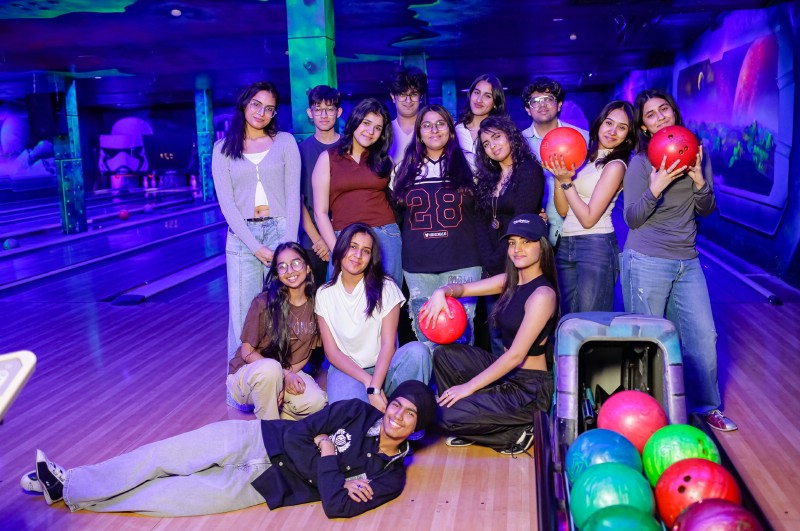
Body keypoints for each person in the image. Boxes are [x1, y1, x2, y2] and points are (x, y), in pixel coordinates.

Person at [25, 381, 436, 519]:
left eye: (410, 415)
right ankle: (71, 480)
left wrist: (327, 452)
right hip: (256, 438)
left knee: (165, 498)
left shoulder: (390, 478)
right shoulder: (356, 411)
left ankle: (70, 491)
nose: (397, 415)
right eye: (397, 404)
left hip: (265, 485)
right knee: (161, 456)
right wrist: (331, 475)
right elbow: (298, 434)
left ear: (416, 429)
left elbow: (335, 507)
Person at [621, 88, 736, 432]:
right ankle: (648, 412)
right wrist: (655, 187)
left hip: (688, 260)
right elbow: (632, 218)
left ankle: (707, 407)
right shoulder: (641, 162)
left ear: (674, 112)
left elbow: (707, 208)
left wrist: (699, 181)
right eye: (651, 115)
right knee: (646, 340)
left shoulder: (697, 152)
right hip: (646, 259)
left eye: (664, 109)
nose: (660, 117)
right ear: (644, 127)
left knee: (703, 337)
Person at [422, 214, 557, 454]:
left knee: (442, 415)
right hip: (505, 374)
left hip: (529, 389)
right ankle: (478, 421)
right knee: (444, 355)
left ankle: (516, 433)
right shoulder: (509, 281)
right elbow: (463, 289)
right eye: (512, 243)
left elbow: (515, 356)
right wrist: (441, 292)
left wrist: (468, 387)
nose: (517, 249)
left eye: (526, 242)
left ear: (542, 246)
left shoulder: (543, 295)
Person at [212, 81, 301, 409]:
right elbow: (227, 206)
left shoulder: (285, 142)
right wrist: (254, 246)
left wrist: (288, 249)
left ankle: (280, 385)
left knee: (282, 314)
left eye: (269, 108)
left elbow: (293, 197)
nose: (262, 113)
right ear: (244, 104)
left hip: (281, 231)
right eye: (256, 105)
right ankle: (239, 391)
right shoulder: (222, 149)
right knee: (242, 318)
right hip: (242, 239)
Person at [392, 105, 482, 348]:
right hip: (418, 266)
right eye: (427, 125)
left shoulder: (471, 164)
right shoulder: (403, 169)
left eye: (440, 123)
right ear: (419, 133)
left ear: (450, 130)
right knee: (427, 339)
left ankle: (461, 376)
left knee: (461, 339)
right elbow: (395, 214)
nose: (434, 130)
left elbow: (489, 206)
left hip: (462, 263)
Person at [315, 223, 431, 410]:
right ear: (341, 247)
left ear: (371, 257)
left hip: (385, 367)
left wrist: (375, 387)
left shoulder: (386, 287)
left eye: (366, 251)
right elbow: (332, 353)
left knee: (418, 352)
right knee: (349, 419)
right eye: (353, 247)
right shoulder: (324, 294)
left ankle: (410, 415)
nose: (358, 255)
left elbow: (388, 345)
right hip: (348, 370)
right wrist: (367, 381)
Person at [542, 100, 635, 315]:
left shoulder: (616, 166)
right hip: (566, 243)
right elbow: (563, 211)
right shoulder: (584, 158)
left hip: (596, 245)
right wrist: (559, 177)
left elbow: (588, 218)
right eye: (609, 123)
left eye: (622, 128)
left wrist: (567, 181)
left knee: (590, 323)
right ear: (600, 123)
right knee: (566, 319)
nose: (612, 131)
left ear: (628, 135)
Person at [226, 242, 328, 420]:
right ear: (278, 274)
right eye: (282, 266)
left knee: (316, 402)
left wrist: (282, 380)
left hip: (283, 372)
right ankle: (270, 432)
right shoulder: (263, 303)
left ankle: (275, 410)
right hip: (247, 376)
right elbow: (247, 352)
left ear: (308, 267)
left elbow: (306, 353)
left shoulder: (317, 305)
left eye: (296, 263)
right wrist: (282, 375)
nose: (290, 270)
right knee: (270, 369)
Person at [312, 98, 403, 286]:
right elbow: (320, 212)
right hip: (344, 237)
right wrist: (337, 249)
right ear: (355, 121)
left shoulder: (385, 161)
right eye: (366, 123)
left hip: (385, 235)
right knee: (342, 298)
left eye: (378, 128)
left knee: (387, 297)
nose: (371, 131)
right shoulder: (328, 158)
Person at [474, 115, 545, 353]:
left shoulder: (529, 171)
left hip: (518, 261)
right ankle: (499, 377)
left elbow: (520, 221)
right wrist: (488, 260)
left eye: (497, 137)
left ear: (511, 136)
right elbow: (480, 221)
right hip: (491, 264)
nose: (492, 145)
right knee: (496, 330)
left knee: (519, 333)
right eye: (486, 143)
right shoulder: (487, 178)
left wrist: (498, 260)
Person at [520, 77, 589, 246]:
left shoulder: (583, 138)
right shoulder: (519, 143)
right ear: (528, 109)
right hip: (536, 231)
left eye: (548, 99)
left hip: (578, 225)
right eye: (535, 101)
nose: (542, 104)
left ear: (559, 105)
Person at [299, 85, 342, 284]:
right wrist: (318, 240)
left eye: (330, 109)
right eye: (318, 109)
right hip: (312, 241)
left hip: (344, 235)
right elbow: (299, 201)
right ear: (310, 113)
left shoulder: (349, 147)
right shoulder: (300, 151)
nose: (324, 115)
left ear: (338, 112)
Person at [455, 74, 507, 167]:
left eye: (487, 96)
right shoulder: (455, 129)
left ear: (495, 103)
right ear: (470, 95)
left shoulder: (502, 133)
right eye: (477, 92)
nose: (479, 100)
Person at [387, 66, 428, 163]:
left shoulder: (430, 129)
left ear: (421, 97)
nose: (408, 100)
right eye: (402, 94)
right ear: (393, 97)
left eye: (413, 94)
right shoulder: (385, 131)